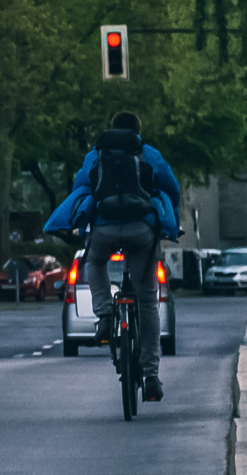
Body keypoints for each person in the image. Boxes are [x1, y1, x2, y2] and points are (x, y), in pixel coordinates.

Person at [43, 112, 181, 402]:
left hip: (105, 228)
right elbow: (171, 187)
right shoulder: (148, 153)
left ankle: (105, 314)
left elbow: (80, 187)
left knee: (93, 261)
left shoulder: (96, 154)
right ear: (137, 131)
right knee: (146, 299)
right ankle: (151, 376)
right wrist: (170, 218)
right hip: (141, 229)